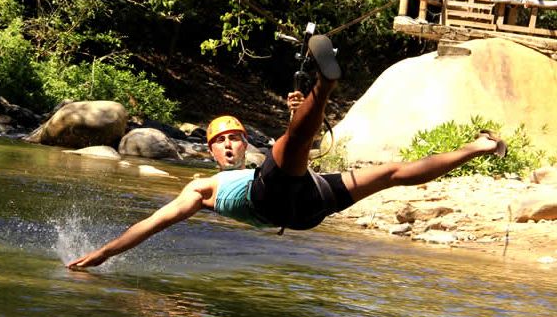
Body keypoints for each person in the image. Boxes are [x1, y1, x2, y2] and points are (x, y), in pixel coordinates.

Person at [67, 35, 506, 270]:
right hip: (274, 202)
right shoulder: (202, 187)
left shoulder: (264, 161)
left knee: (390, 172)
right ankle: (325, 85)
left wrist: (297, 114)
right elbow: (152, 223)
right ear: (210, 152)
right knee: (286, 148)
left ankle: (480, 146)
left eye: (234, 138)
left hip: (308, 202)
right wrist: (105, 253)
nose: (229, 144)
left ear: (244, 143)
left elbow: (296, 148)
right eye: (220, 141)